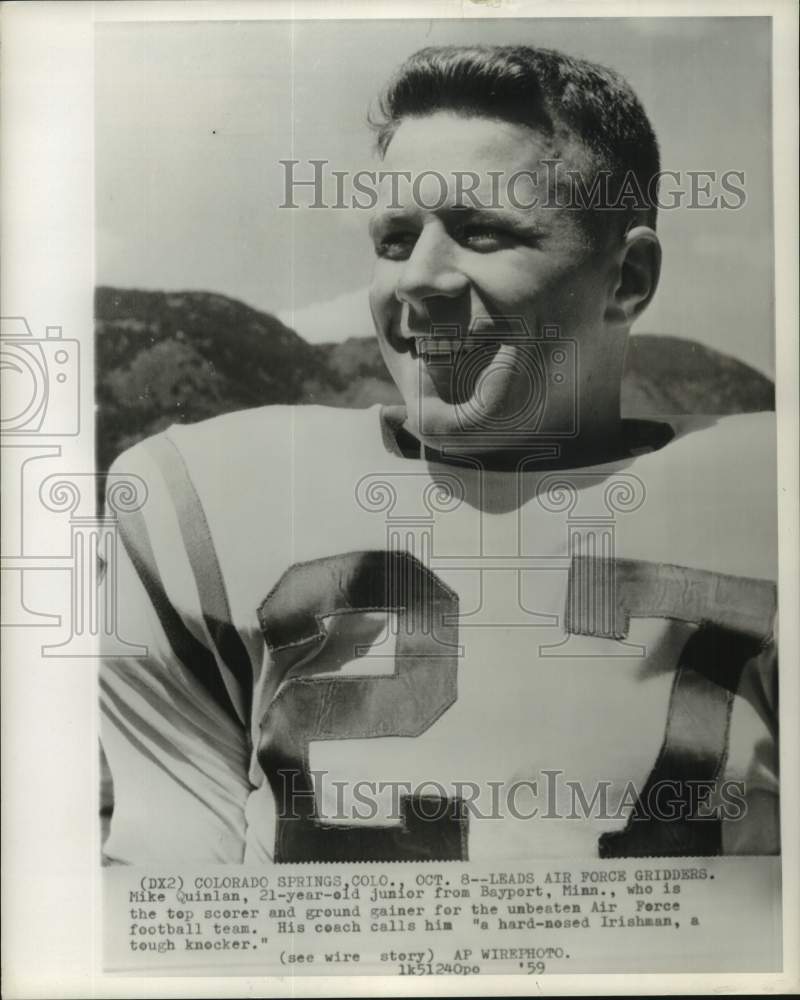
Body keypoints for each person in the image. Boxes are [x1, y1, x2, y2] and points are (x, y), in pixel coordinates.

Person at [100, 45, 778, 864]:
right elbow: (164, 891)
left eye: (482, 231)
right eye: (393, 240)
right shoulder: (200, 499)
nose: (417, 280)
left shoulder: (771, 498)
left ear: (627, 277)